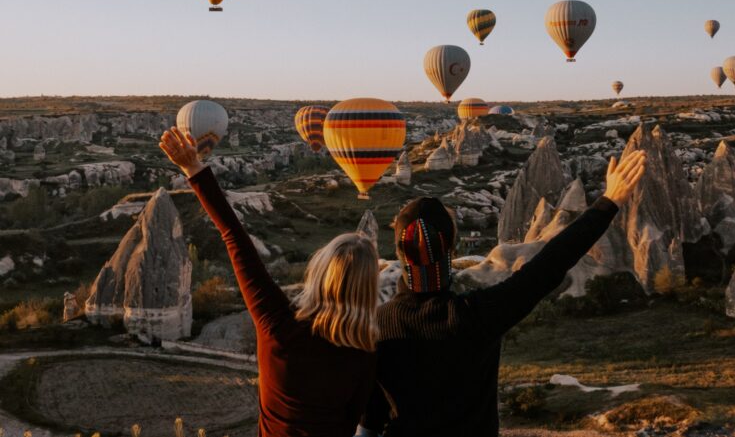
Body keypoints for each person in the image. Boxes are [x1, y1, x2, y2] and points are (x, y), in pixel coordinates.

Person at [359, 150, 647, 437]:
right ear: (451, 251)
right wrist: (608, 202)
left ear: (399, 252)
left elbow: (370, 421)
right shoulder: (475, 315)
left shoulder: (377, 326)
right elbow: (548, 266)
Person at [159, 127, 379, 437]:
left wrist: (192, 167)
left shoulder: (278, 324)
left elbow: (234, 237)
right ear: (368, 290)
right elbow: (354, 421)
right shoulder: (364, 354)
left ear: (320, 272)